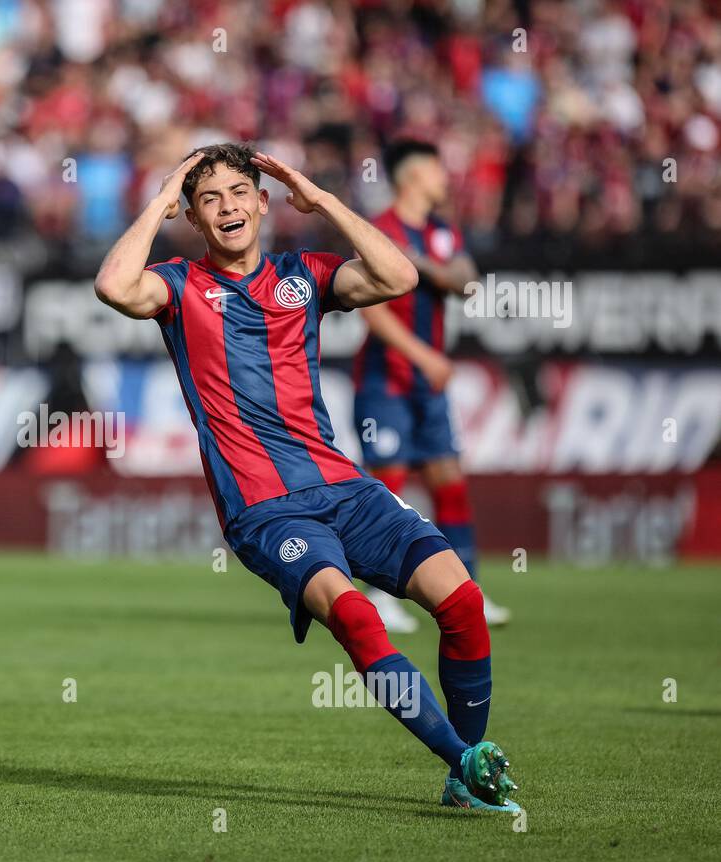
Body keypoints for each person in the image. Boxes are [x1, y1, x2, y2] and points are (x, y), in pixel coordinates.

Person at [93, 143, 518, 811]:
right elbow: (115, 285)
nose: (229, 206)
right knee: (353, 615)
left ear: (264, 202)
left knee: (462, 603)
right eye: (210, 199)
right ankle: (463, 759)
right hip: (265, 510)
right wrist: (161, 197)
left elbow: (398, 276)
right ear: (194, 219)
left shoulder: (304, 275)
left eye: (240, 192)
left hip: (346, 489)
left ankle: (463, 776)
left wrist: (321, 200)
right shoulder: (179, 287)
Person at [353, 140, 511, 634]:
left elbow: (466, 280)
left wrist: (426, 267)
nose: (446, 178)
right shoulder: (380, 232)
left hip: (428, 384)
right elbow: (371, 311)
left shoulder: (441, 232)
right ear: (413, 176)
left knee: (448, 478)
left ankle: (466, 590)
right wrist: (424, 355)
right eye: (438, 170)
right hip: (387, 379)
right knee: (389, 483)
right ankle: (379, 595)